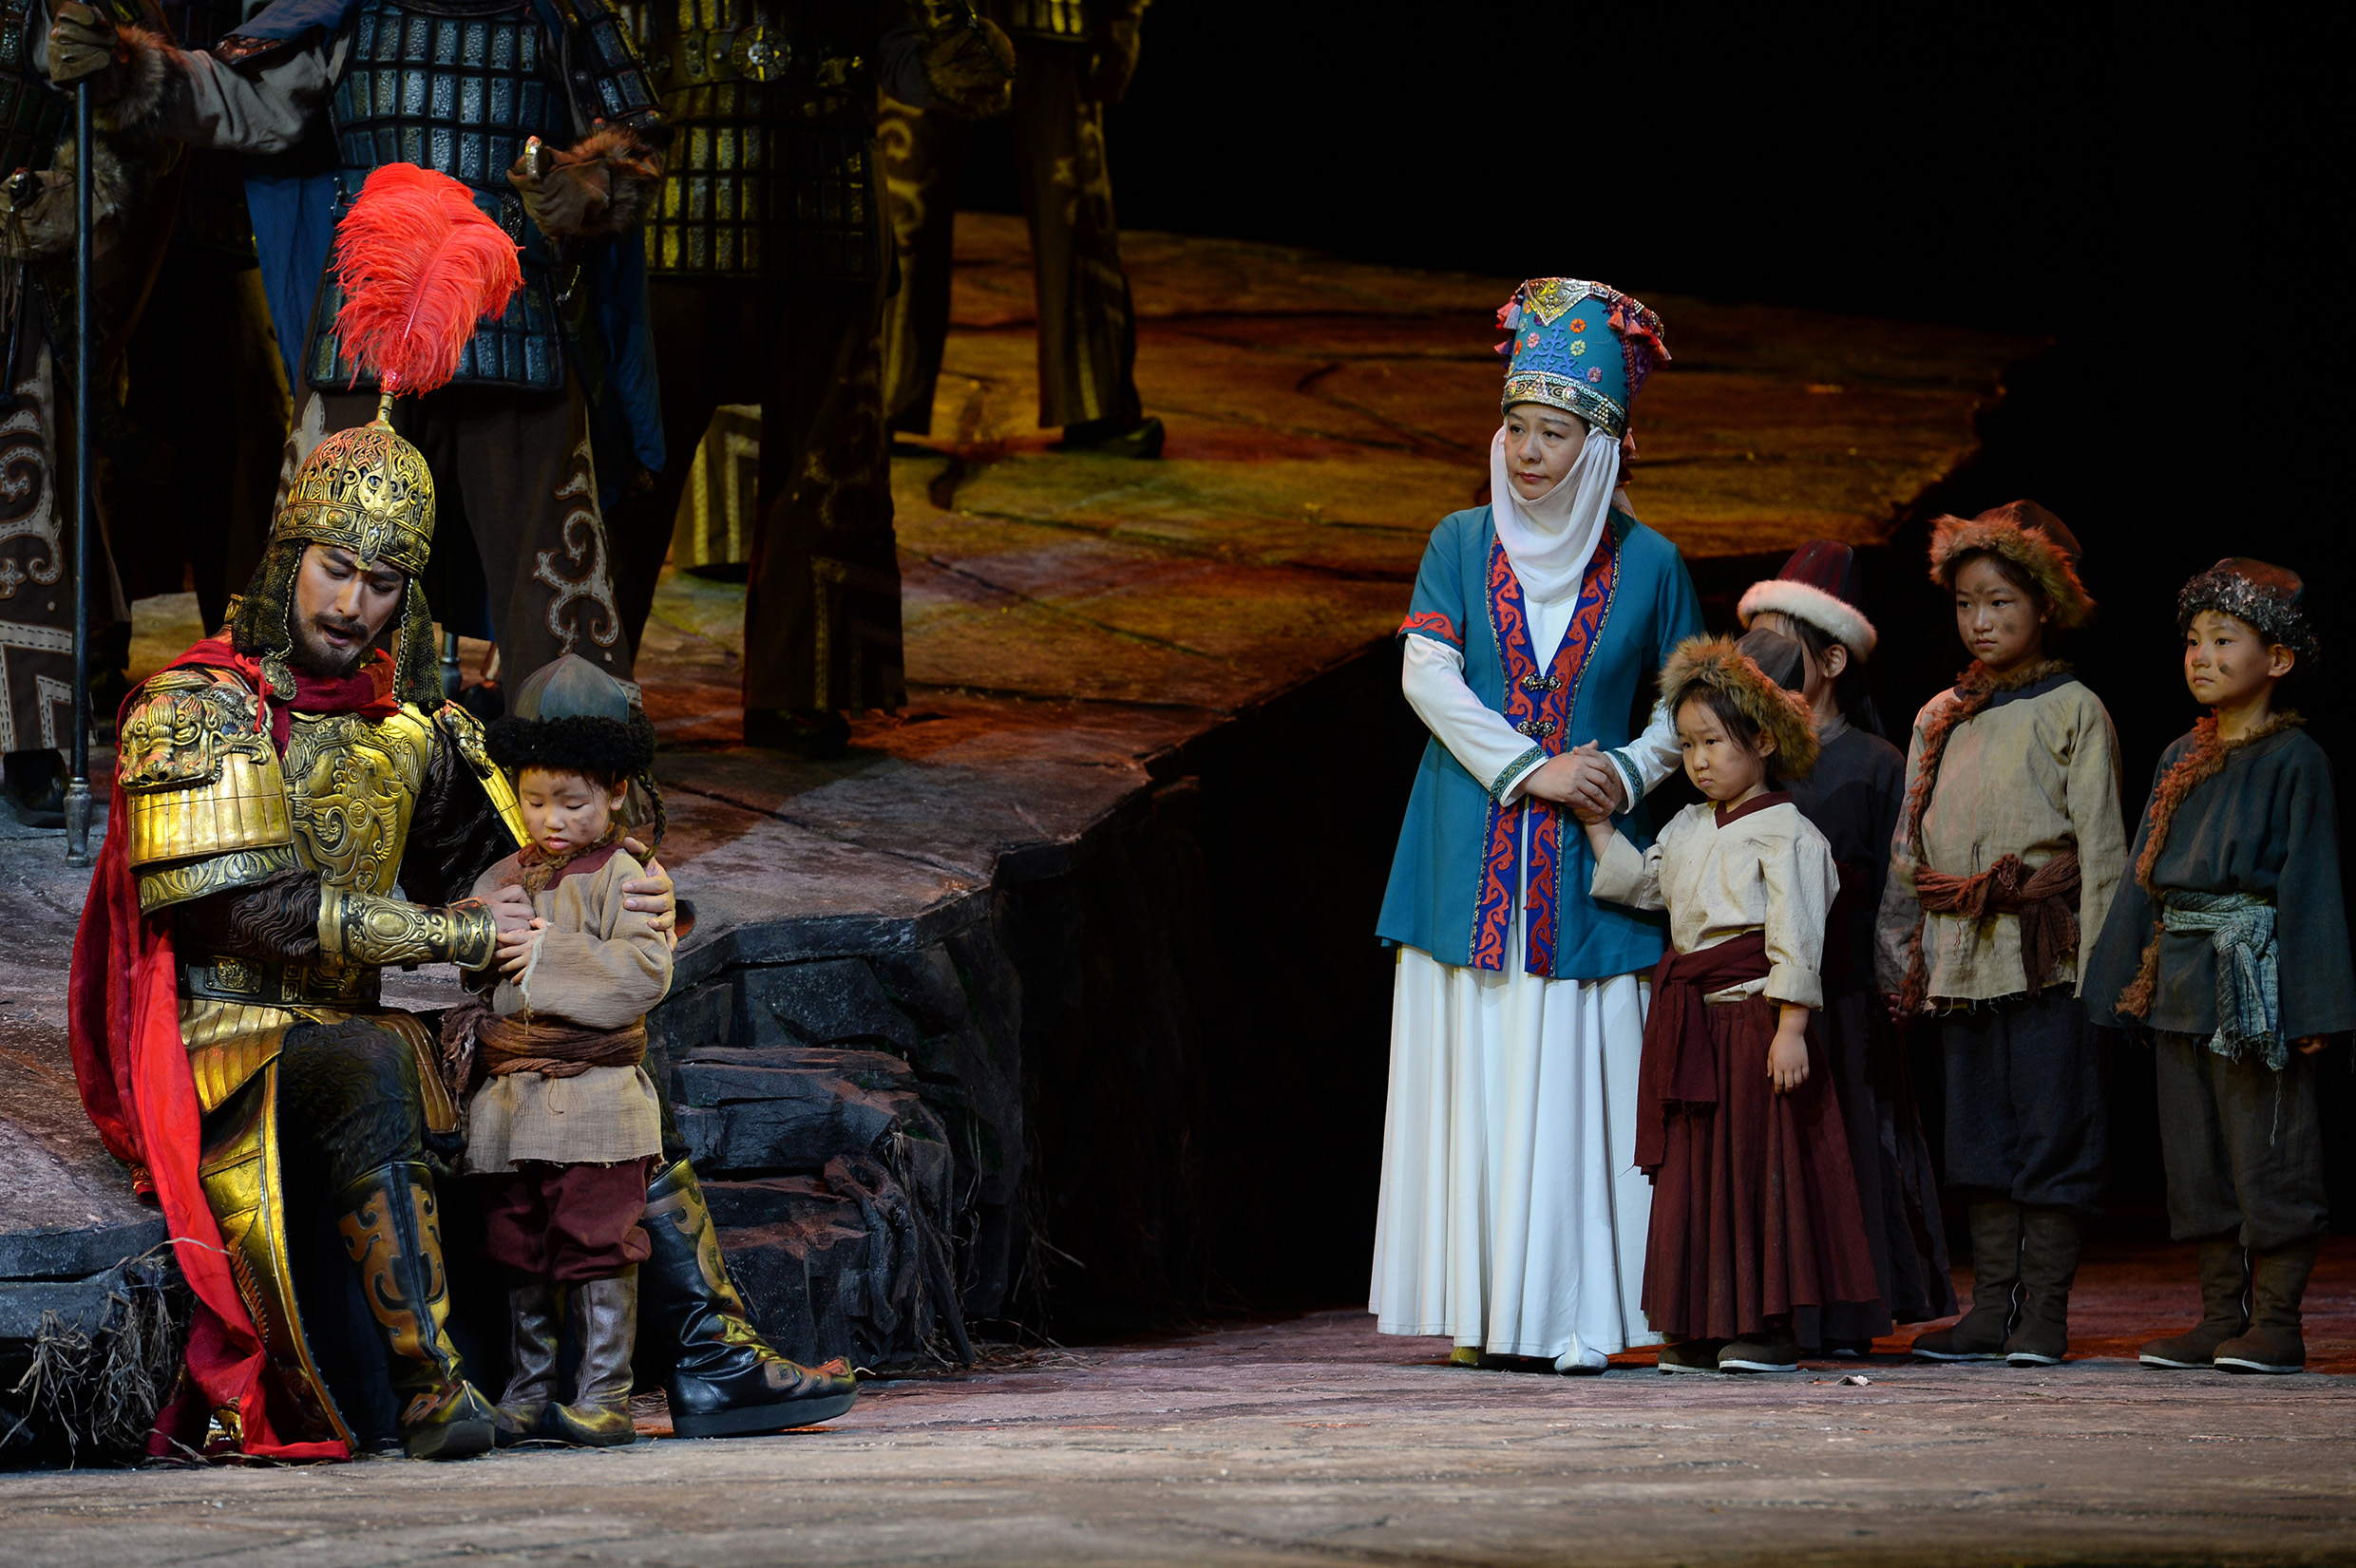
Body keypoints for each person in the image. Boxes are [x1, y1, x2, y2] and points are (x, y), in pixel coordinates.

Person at [66, 171, 854, 1460]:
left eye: (384, 582)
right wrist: (456, 933)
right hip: (236, 1039)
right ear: (289, 552)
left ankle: (710, 1349)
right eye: (337, 568)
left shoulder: (412, 722)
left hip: (368, 1021)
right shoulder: (196, 706)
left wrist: (602, 893)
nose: (355, 603)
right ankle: (431, 1382)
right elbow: (250, 912)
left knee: (593, 1046)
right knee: (376, 1057)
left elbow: (504, 858)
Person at [52, 0, 668, 691]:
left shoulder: (565, 12)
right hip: (369, 307)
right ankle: (305, 736)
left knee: (551, 575)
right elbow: (243, 98)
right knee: (327, 550)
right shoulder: (342, 7)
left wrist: (588, 184)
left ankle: (569, 755)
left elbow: (633, 145)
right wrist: (129, 70)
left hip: (515, 309)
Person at [1370, 277, 1701, 1373]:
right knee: (1475, 1070)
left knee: (1574, 1083)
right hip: (1466, 845)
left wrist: (1619, 769)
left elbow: (1686, 706)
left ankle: (1578, 1315)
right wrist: (1530, 767)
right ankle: (1479, 1308)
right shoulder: (1458, 541)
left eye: (1551, 434)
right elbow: (1426, 672)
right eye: (1514, 427)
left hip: (1581, 868)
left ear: (1598, 447)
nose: (1525, 451)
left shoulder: (1650, 564)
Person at [599, 0, 1015, 756]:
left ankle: (802, 686)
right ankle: (581, 677)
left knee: (826, 472)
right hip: (678, 206)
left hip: (830, 211)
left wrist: (952, 39)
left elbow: (915, 64)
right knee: (630, 470)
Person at [2083, 559, 2353, 1375]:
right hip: (2181, 978)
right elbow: (2144, 872)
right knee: (2195, 1155)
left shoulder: (2296, 758)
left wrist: (2314, 1006)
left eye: (2224, 640)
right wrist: (2116, 985)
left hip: (2254, 984)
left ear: (2278, 658)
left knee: (2268, 1147)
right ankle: (2218, 1315)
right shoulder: (2180, 755)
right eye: (2193, 641)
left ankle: (2277, 1322)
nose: (2202, 656)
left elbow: (2311, 883)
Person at [1586, 632, 1880, 1373]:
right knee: (1697, 1175)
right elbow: (1646, 884)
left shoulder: (1789, 832)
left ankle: (1769, 1326)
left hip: (1753, 1019)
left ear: (1764, 742)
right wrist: (1597, 825)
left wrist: (1791, 1027)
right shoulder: (1686, 825)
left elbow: (1797, 935)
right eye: (1688, 745)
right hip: (1695, 1027)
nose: (1699, 760)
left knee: (1755, 1169)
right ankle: (1701, 1322)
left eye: (1713, 742)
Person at [1876, 501, 2128, 1368]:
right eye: (1965, 603)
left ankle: (2043, 1312)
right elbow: (1909, 847)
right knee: (1979, 1135)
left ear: (2046, 605)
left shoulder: (2075, 709)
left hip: (2048, 954)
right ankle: (1991, 1309)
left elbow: (2103, 849)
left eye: (2000, 602)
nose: (1980, 621)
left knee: (2054, 1128)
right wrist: (1902, 959)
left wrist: (2104, 974)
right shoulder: (1940, 714)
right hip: (1963, 959)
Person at [448, 654, 672, 1445]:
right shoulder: (506, 871)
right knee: (518, 1241)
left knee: (596, 1239)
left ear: (614, 792)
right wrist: (478, 929)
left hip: (594, 1100)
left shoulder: (627, 875)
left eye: (572, 803)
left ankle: (605, 1392)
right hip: (513, 1104)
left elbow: (644, 971)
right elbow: (475, 959)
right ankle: (529, 1387)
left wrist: (547, 953)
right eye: (535, 799)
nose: (551, 819)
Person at [1738, 542, 1953, 1342]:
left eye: (1778, 643)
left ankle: (1848, 1304)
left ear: (1831, 659)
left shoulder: (1874, 761)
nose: (1760, 659)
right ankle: (1764, 1306)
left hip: (1846, 990)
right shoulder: (1747, 758)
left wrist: (1899, 976)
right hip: (1759, 988)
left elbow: (1902, 881)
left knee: (1845, 1141)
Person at [0, 0, 170, 825]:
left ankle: (28, 741)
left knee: (21, 513)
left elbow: (127, 116)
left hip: (16, 273)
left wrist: (68, 199)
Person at [881, 0, 1160, 457]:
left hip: (1053, 17)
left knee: (1076, 209)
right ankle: (878, 401)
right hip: (926, 19)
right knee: (902, 211)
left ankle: (1095, 403)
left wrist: (1121, 18)